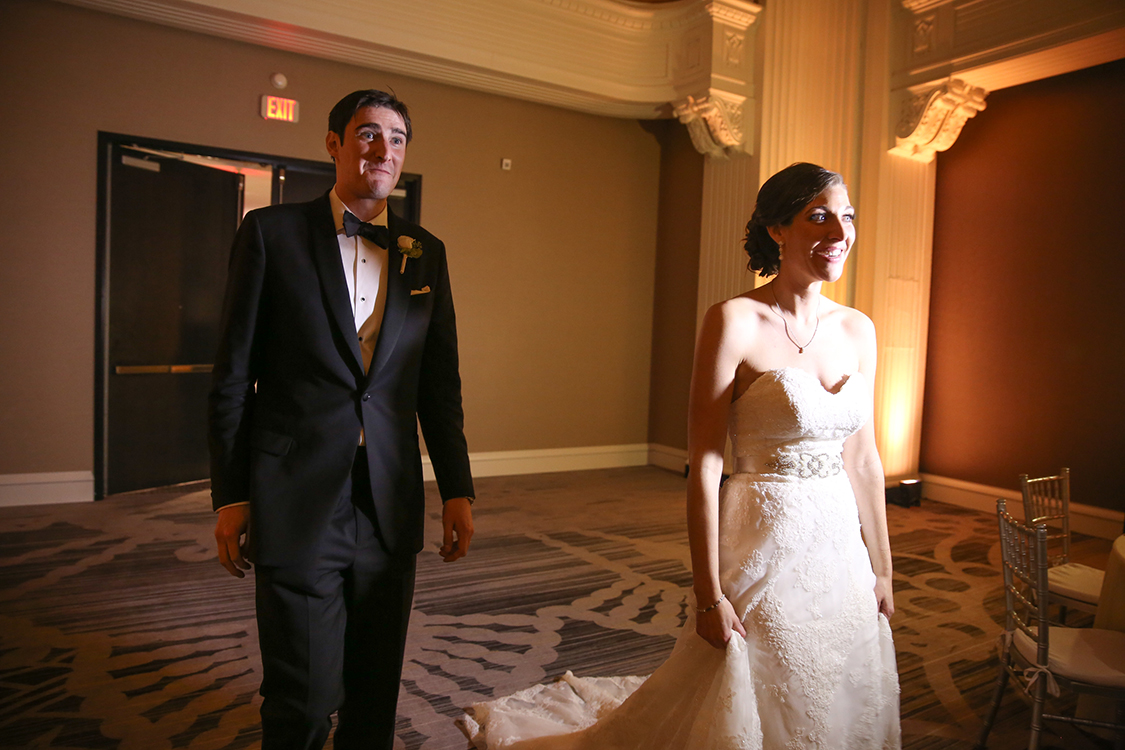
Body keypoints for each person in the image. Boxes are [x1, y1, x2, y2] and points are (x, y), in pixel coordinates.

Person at [459, 162, 900, 749]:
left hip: (840, 548)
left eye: (846, 217)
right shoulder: (734, 321)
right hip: (765, 539)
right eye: (818, 216)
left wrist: (885, 568)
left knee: (838, 682)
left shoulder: (859, 330)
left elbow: (865, 461)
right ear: (778, 229)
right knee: (760, 674)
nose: (838, 232)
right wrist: (708, 595)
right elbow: (706, 464)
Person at [208, 89, 476, 750]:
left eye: (396, 137)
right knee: (300, 692)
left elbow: (437, 382)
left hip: (387, 494)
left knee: (375, 683)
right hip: (294, 491)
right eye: (366, 134)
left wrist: (458, 487)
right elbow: (232, 377)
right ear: (333, 144)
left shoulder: (424, 252)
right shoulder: (270, 235)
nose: (382, 149)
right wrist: (232, 494)